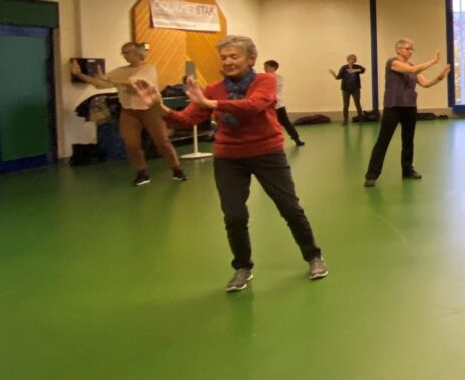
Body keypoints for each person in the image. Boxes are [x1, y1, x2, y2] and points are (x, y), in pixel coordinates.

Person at [131, 35, 325, 292]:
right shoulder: (212, 89)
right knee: (234, 215)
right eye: (224, 58)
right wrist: (158, 107)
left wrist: (209, 103)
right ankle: (242, 267)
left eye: (234, 56)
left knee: (289, 208)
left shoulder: (265, 81)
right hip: (229, 158)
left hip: (267, 153)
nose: (228, 62)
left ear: (251, 59)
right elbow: (186, 120)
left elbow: (252, 106)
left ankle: (313, 256)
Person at [72, 43, 186, 186]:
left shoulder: (148, 68)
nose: (125, 55)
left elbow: (134, 83)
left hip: (150, 110)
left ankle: (176, 169)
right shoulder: (121, 71)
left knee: (161, 142)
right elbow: (99, 83)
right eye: (123, 53)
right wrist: (80, 75)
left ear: (138, 53)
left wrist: (110, 79)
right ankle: (142, 173)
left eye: (128, 52)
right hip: (129, 111)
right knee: (131, 143)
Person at [363, 39, 448, 186]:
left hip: (409, 107)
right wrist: (433, 61)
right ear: (398, 49)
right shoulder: (393, 63)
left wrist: (439, 78)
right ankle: (371, 175)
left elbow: (425, 83)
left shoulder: (413, 66)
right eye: (408, 49)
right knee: (383, 141)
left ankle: (407, 170)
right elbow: (412, 71)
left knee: (408, 141)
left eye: (412, 49)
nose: (410, 52)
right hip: (393, 107)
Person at [262, 60, 304, 146]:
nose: (264, 68)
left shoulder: (279, 78)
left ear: (273, 67)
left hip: (278, 104)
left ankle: (296, 139)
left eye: (267, 66)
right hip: (267, 105)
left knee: (285, 122)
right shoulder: (262, 77)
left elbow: (273, 90)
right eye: (264, 66)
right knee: (266, 124)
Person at [328, 53, 365, 123]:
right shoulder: (344, 68)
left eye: (354, 59)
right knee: (345, 105)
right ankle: (345, 120)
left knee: (357, 103)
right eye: (351, 59)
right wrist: (333, 74)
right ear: (348, 60)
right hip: (345, 89)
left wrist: (354, 70)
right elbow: (338, 77)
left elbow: (363, 70)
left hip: (356, 89)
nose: (352, 60)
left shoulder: (357, 66)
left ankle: (361, 119)